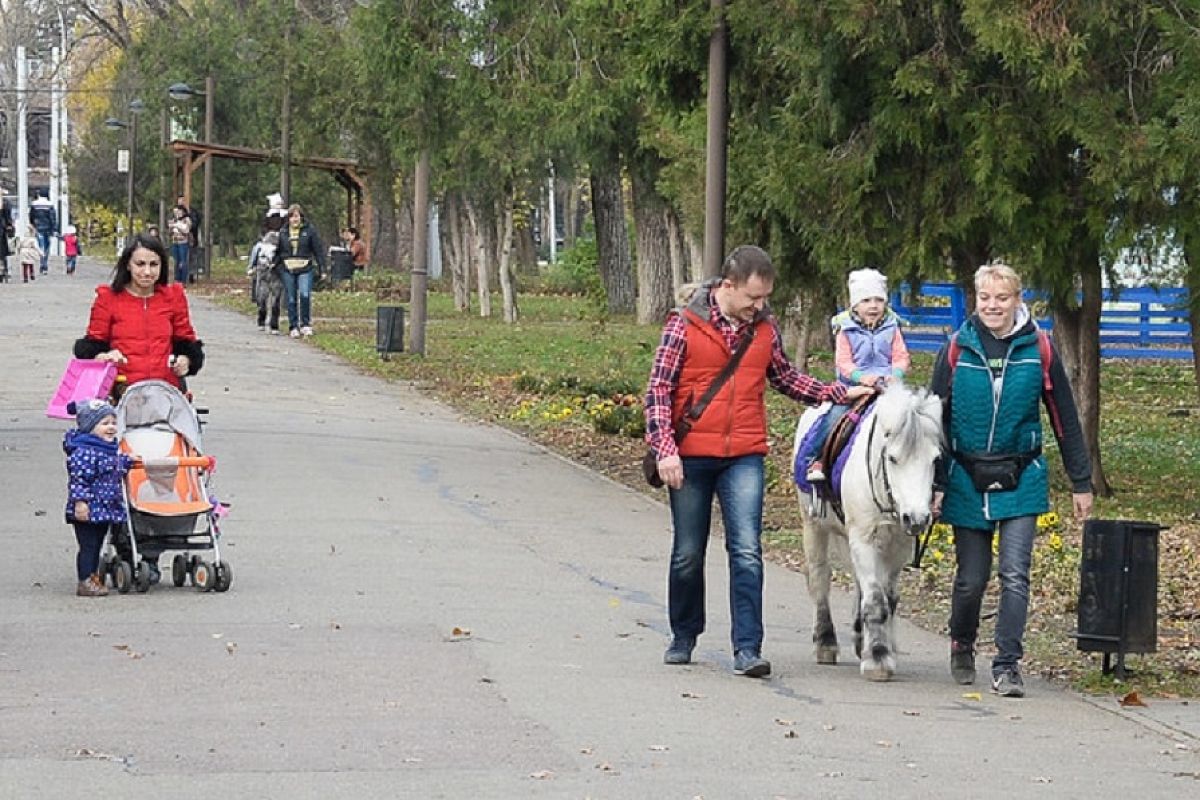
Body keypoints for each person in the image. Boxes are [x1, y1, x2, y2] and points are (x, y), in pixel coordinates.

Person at [644, 245, 873, 677]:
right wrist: (665, 450)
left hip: (743, 454)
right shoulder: (684, 324)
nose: (760, 305)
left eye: (765, 297)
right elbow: (658, 391)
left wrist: (840, 395)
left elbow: (785, 377)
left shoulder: (764, 329)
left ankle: (747, 647)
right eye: (752, 297)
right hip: (690, 455)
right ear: (727, 287)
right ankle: (684, 633)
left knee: (747, 551)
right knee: (688, 553)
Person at [929, 262, 1093, 698]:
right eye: (985, 298)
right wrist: (936, 483)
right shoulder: (955, 349)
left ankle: (1007, 664)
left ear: (1019, 300)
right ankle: (962, 642)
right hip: (966, 475)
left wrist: (1081, 481)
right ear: (975, 300)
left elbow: (1065, 419)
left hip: (1023, 475)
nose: (993, 306)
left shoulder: (1039, 348)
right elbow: (935, 421)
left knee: (1015, 574)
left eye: (1002, 298)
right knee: (971, 578)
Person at [804, 267, 911, 483]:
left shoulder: (892, 327)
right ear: (855, 304)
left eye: (879, 300)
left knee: (912, 415)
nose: (873, 306)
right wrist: (861, 377)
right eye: (866, 300)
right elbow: (843, 362)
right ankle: (817, 458)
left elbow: (901, 356)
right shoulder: (846, 329)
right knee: (835, 416)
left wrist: (896, 373)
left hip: (885, 386)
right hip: (853, 388)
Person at [63, 398, 136, 597]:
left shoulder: (108, 449)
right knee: (89, 545)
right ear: (89, 427)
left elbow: (114, 467)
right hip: (88, 507)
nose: (111, 428)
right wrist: (80, 503)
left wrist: (127, 462)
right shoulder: (84, 452)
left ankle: (93, 576)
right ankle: (85, 580)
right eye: (104, 424)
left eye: (113, 423)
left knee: (98, 544)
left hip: (104, 508)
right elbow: (79, 480)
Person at [275, 203, 325, 338]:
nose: (294, 219)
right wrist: (274, 265)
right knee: (291, 298)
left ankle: (306, 324)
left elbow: (318, 250)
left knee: (305, 295)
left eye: (296, 216)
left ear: (301, 217)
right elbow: (278, 251)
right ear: (288, 219)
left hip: (305, 267)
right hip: (288, 268)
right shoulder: (283, 232)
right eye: (292, 217)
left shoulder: (310, 231)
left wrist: (322, 268)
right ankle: (293, 326)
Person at [248, 230, 283, 334]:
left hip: (276, 273)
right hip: (262, 273)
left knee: (276, 300)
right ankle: (261, 319)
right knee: (262, 297)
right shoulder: (259, 246)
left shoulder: (281, 245)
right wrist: (251, 268)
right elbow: (254, 257)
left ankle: (274, 324)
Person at [29, 191, 57, 274]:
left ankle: (42, 264)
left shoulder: (34, 204)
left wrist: (32, 224)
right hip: (48, 228)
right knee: (47, 246)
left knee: (41, 246)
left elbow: (31, 215)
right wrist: (54, 229)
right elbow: (53, 218)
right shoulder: (50, 204)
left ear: (39, 195)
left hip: (38, 227)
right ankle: (45, 264)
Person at [169, 205, 193, 284]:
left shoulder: (187, 219)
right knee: (176, 261)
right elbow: (170, 232)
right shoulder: (174, 220)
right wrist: (171, 227)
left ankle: (183, 280)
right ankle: (177, 279)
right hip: (175, 242)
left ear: (183, 212)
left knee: (183, 262)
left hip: (183, 243)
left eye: (180, 211)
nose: (178, 213)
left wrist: (177, 226)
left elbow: (186, 230)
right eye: (176, 212)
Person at [0, 197, 14, 281]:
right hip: (1, 232)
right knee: (1, 254)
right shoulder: (5, 203)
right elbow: (8, 218)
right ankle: (3, 271)